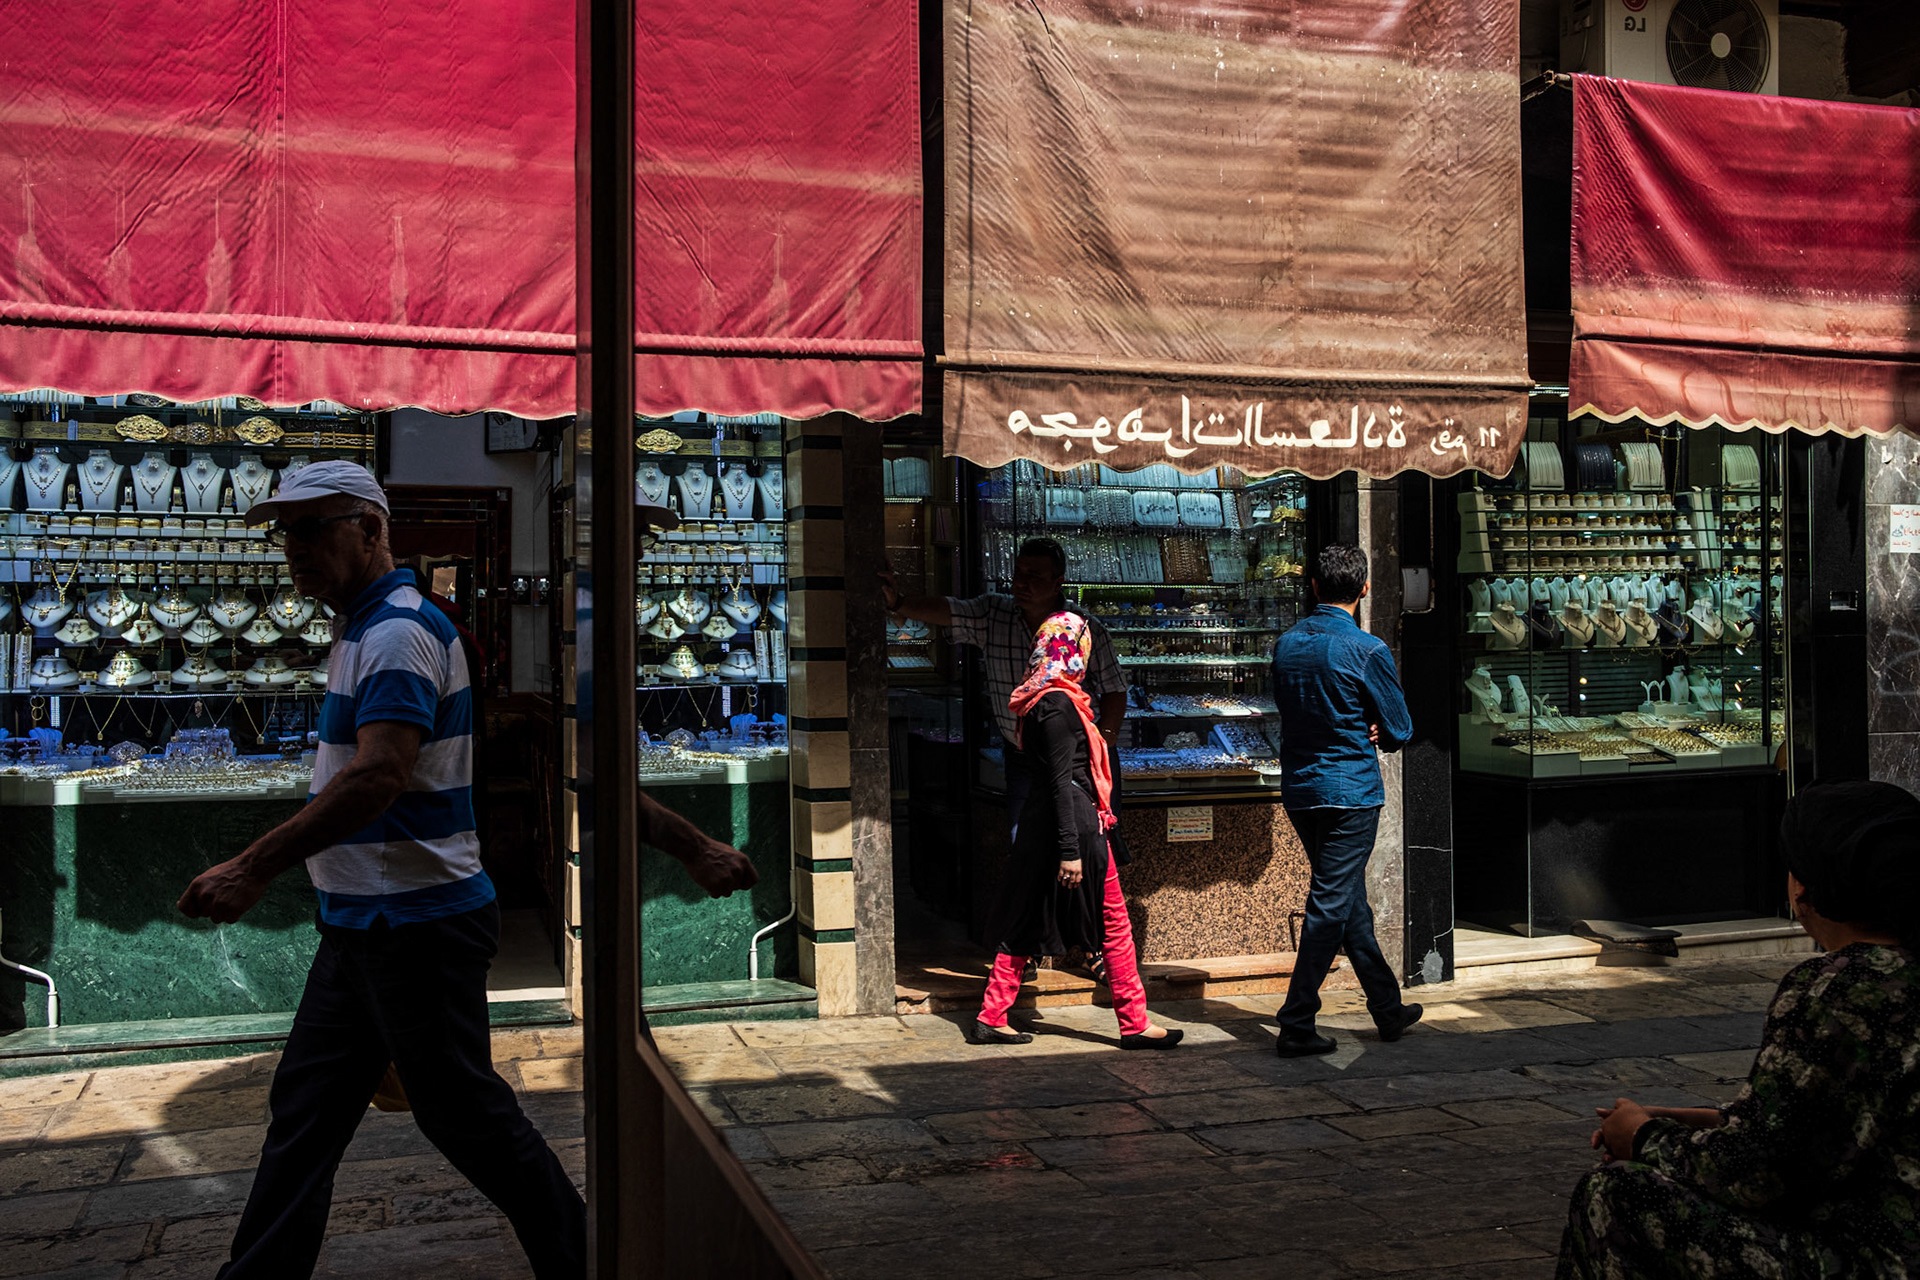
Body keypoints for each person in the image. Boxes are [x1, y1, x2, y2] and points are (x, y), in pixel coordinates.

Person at [177, 463, 754, 1280]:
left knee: (466, 1120)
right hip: (365, 923)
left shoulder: (397, 633)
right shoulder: (363, 629)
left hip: (412, 922)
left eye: (312, 529)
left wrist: (253, 865)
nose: (292, 549)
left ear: (372, 530)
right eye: (286, 532)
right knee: (307, 1114)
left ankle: (584, 1259)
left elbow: (379, 777)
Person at [1557, 779, 1920, 1280]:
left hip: (1875, 1258)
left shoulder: (1838, 989)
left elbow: (1756, 1173)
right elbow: (1820, 1118)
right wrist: (1706, 1119)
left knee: (1616, 1194)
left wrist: (1643, 1137)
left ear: (1804, 886)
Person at [972, 612, 1179, 1050]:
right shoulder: (1058, 706)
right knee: (1114, 924)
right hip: (1073, 826)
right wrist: (1070, 850)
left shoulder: (1037, 700)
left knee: (1026, 919)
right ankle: (1134, 1021)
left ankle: (992, 1014)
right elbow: (1062, 782)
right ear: (1073, 652)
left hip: (1045, 824)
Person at [1269, 543, 1421, 1057]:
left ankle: (1387, 1008)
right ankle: (1296, 1020)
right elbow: (1400, 727)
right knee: (1331, 901)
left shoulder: (1287, 644)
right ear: (1364, 588)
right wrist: (1377, 726)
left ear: (1313, 587)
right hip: (1349, 791)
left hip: (1301, 788)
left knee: (1346, 899)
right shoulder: (1369, 649)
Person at [880, 535, 1127, 838]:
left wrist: (1104, 742)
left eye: (1033, 575)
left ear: (1057, 581)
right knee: (1023, 840)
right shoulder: (993, 615)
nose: (1021, 582)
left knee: (1090, 839)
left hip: (1079, 756)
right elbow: (949, 610)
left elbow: (1114, 688)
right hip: (1023, 755)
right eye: (1018, 573)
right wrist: (900, 603)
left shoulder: (1084, 628)